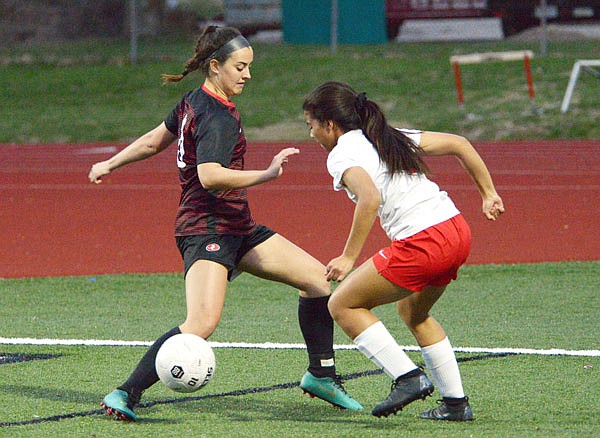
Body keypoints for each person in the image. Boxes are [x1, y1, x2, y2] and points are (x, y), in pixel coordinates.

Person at [88, 28, 362, 422]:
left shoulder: (194, 101)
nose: (247, 74)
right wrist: (266, 174)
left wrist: (111, 162)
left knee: (317, 281)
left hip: (238, 226)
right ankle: (125, 392)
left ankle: (321, 375)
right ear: (215, 67)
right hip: (206, 228)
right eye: (240, 66)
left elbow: (154, 141)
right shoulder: (216, 116)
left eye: (249, 66)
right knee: (201, 321)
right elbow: (210, 177)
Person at [302, 81, 504, 421]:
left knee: (342, 304)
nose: (311, 135)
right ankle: (456, 405)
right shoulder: (386, 134)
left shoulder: (341, 154)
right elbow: (460, 143)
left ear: (330, 125)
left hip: (425, 242)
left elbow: (370, 198)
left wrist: (349, 257)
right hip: (456, 230)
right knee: (414, 313)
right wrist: (488, 193)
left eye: (311, 126)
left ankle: (407, 378)